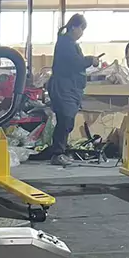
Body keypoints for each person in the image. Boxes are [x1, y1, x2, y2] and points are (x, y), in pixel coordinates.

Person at [46, 14, 101, 166]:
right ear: (73, 27)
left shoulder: (70, 43)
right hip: (63, 88)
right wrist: (90, 60)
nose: (82, 33)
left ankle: (61, 150)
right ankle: (57, 153)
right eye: (81, 29)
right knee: (65, 119)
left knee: (67, 120)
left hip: (70, 88)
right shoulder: (66, 43)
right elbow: (76, 62)